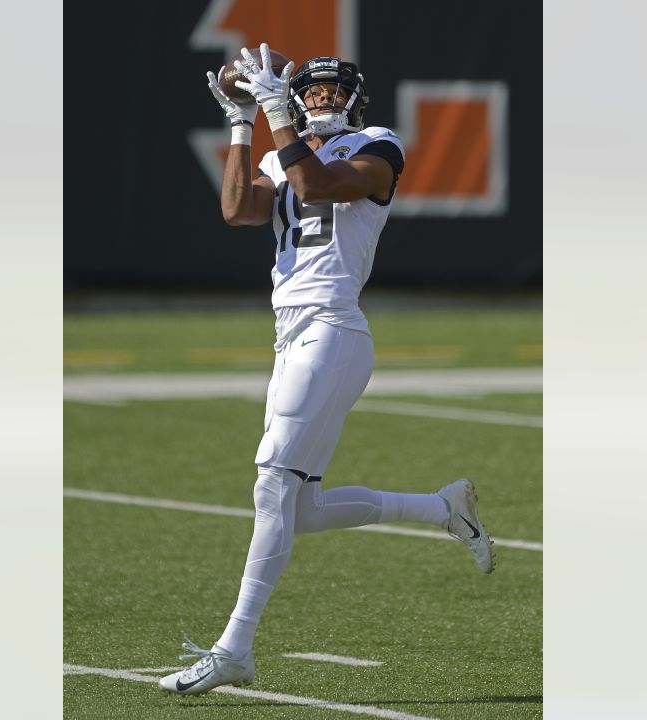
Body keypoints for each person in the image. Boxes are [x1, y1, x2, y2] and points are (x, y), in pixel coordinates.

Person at [159, 44, 495, 696]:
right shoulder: (281, 151)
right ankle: (444, 509)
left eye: (330, 92)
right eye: (308, 92)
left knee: (271, 484)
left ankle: (236, 647)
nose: (320, 100)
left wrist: (275, 112)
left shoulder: (377, 145)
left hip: (333, 328)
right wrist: (239, 119)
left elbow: (317, 184)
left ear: (356, 98)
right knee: (301, 506)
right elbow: (239, 210)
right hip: (291, 337)